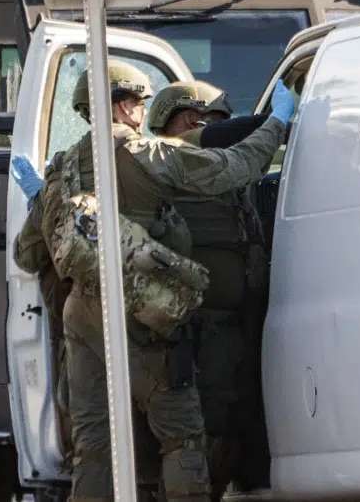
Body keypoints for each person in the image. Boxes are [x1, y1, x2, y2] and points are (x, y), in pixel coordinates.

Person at [15, 62, 295, 502]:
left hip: (83, 317)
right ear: (125, 105)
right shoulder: (145, 154)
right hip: (142, 310)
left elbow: (26, 254)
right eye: (140, 103)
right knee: (182, 438)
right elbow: (234, 168)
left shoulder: (63, 168)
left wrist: (42, 200)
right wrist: (277, 122)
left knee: (94, 447)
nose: (142, 113)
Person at [146, 81, 271, 500]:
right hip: (193, 325)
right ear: (165, 124)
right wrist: (278, 117)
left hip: (234, 322)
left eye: (214, 120)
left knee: (231, 419)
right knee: (199, 428)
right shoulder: (162, 161)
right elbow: (219, 138)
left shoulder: (225, 172)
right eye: (193, 118)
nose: (204, 128)